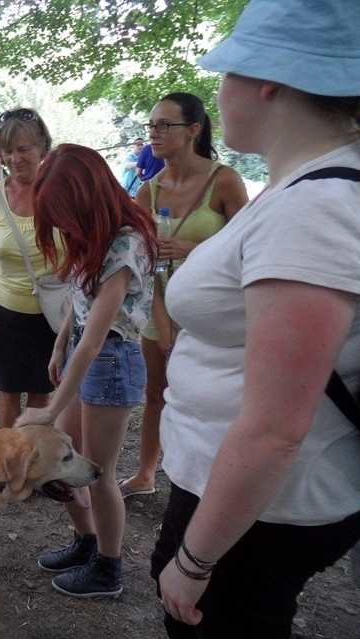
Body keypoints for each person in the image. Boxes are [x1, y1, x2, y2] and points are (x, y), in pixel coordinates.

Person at [149, 0, 360, 636]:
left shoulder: (315, 208)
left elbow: (275, 428)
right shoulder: (307, 187)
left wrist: (194, 557)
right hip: (255, 499)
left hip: (259, 509)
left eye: (227, 73)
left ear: (267, 80)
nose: (220, 90)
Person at [14, 144, 158, 597]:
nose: (58, 223)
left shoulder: (126, 242)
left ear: (88, 196)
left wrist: (46, 407)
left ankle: (108, 569)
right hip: (83, 350)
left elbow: (98, 337)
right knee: (64, 462)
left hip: (113, 361)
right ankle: (87, 542)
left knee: (97, 471)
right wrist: (59, 344)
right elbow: (81, 313)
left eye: (63, 211)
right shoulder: (95, 233)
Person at [117, 93, 248, 499]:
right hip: (161, 308)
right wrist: (161, 317)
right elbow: (143, 263)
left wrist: (193, 251)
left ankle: (214, 478)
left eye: (164, 125)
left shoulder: (223, 180)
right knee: (157, 392)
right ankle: (146, 474)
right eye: (151, 125)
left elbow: (250, 247)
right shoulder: (148, 191)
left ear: (193, 130)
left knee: (212, 399)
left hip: (213, 315)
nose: (154, 134)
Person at [0, 108, 60, 428]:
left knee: (41, 391)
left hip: (51, 313)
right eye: (7, 151)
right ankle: (8, 461)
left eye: (24, 149)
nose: (15, 158)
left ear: (42, 148)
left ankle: (33, 465)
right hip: (3, 311)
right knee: (7, 392)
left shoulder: (62, 193)